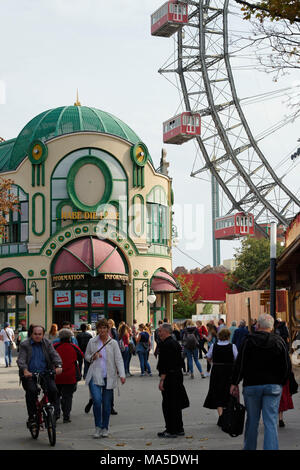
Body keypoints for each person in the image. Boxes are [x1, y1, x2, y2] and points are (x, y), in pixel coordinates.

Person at [230, 313, 291, 450]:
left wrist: (234, 382)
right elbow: (286, 365)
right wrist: (281, 381)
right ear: (272, 326)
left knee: (252, 421)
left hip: (252, 385)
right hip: (273, 385)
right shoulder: (279, 341)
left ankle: (250, 447)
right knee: (270, 421)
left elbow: (240, 363)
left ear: (257, 325)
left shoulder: (248, 341)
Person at [85, 318, 126, 438]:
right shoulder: (92, 342)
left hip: (109, 376)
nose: (102, 330)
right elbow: (86, 356)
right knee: (97, 401)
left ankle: (105, 427)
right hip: (94, 375)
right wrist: (93, 356)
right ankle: (97, 427)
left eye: (104, 328)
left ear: (108, 329)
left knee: (107, 404)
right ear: (97, 329)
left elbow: (118, 359)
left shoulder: (113, 343)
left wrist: (122, 374)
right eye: (100, 328)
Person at [17, 325, 63, 427]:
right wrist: (24, 370)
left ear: (43, 334)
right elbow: (21, 359)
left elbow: (54, 355)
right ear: (31, 334)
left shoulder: (47, 343)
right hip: (29, 374)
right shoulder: (25, 344)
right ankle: (32, 417)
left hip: (45, 372)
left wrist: (58, 365)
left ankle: (53, 413)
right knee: (32, 391)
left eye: (40, 334)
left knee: (53, 390)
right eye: (35, 334)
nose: (37, 336)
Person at [157, 323, 189, 438]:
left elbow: (165, 364)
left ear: (166, 332)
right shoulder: (175, 343)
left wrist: (162, 380)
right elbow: (180, 361)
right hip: (177, 376)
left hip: (169, 377)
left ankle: (171, 429)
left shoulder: (165, 344)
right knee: (175, 403)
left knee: (168, 404)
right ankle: (179, 428)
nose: (159, 333)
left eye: (160, 331)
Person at [203, 328, 238, 425]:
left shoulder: (214, 346)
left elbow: (208, 357)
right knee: (228, 393)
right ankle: (226, 416)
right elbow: (237, 358)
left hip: (217, 372)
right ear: (228, 336)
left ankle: (221, 416)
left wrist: (213, 362)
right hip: (229, 372)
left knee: (218, 393)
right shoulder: (232, 346)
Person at [53, 328, 84, 423]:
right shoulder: (74, 347)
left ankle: (56, 413)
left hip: (57, 375)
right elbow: (81, 357)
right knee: (68, 396)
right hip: (70, 375)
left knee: (56, 395)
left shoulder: (55, 346)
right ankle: (66, 416)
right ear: (70, 338)